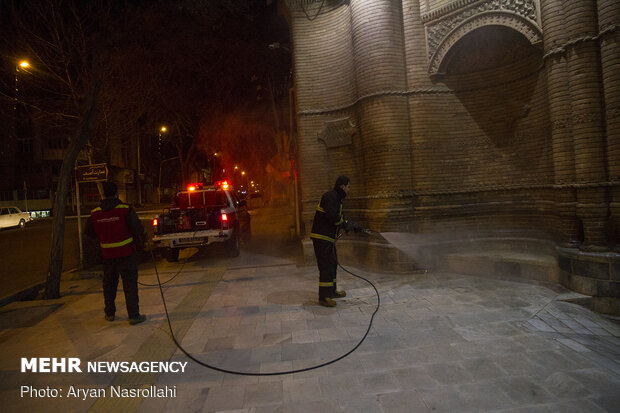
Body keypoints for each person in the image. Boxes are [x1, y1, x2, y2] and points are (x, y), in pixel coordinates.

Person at [85, 181, 147, 325]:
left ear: (103, 194)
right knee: (129, 285)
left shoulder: (95, 213)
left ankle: (110, 313)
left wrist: (103, 235)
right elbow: (137, 228)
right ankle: (133, 316)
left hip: (107, 255)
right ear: (116, 193)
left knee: (109, 285)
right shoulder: (125, 210)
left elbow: (88, 232)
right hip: (126, 254)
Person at [310, 175, 361, 307]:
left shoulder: (337, 199)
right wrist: (345, 224)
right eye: (348, 187)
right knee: (326, 267)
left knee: (332, 264)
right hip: (321, 238)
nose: (349, 190)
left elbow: (340, 218)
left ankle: (331, 291)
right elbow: (333, 217)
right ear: (342, 186)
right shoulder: (330, 196)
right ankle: (324, 297)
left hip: (328, 239)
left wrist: (352, 226)